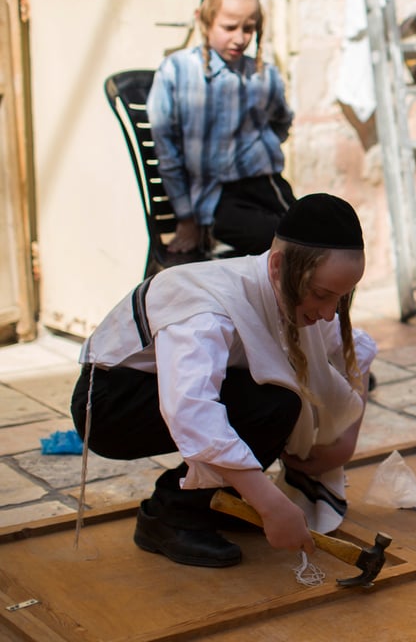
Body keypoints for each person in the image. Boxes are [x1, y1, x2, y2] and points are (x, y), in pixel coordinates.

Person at [71, 193, 376, 568]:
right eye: (322, 295)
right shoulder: (207, 305)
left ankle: (221, 500)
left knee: (281, 402)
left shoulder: (287, 293)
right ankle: (170, 514)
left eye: (340, 300)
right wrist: (270, 503)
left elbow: (356, 354)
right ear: (280, 267)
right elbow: (190, 409)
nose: (329, 313)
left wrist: (344, 443)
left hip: (159, 396)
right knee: (273, 402)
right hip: (111, 404)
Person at [148, 0, 296, 257]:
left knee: (324, 240)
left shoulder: (262, 75)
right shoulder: (176, 71)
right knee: (289, 245)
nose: (240, 38)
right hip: (214, 198)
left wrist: (254, 149)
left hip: (265, 186)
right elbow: (167, 151)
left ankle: (328, 303)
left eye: (249, 28)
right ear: (203, 21)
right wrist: (186, 218)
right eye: (229, 28)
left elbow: (282, 121)